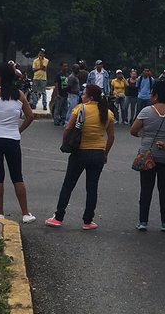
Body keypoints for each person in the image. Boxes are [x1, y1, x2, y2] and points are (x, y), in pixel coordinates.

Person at [48, 83, 115, 230]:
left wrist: (65, 142)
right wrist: (105, 153)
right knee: (92, 188)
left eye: (84, 94)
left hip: (79, 152)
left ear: (90, 97)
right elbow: (111, 137)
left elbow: (68, 128)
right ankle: (88, 221)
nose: (82, 96)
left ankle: (58, 217)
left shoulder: (80, 109)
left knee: (68, 185)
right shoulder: (107, 113)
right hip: (98, 153)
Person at [0, 61, 36, 222]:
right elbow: (30, 116)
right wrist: (18, 130)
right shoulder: (19, 94)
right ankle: (25, 213)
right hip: (12, 139)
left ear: (1, 77)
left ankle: (0, 213)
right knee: (17, 176)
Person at [131, 79, 165, 231]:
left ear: (156, 95)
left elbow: (133, 130)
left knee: (146, 188)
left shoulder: (146, 111)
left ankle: (143, 222)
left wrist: (145, 136)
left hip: (148, 153)